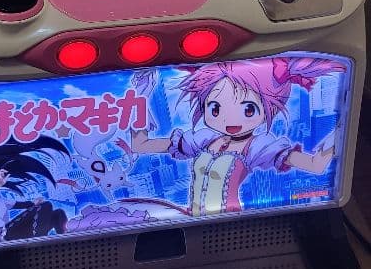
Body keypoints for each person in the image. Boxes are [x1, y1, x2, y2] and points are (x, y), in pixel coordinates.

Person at [131, 56, 342, 217]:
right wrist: (140, 95)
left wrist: (343, 122)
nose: (230, 120)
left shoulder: (256, 147)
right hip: (190, 219)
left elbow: (315, 165)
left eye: (248, 109)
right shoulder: (205, 138)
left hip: (230, 221)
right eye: (215, 109)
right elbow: (141, 145)